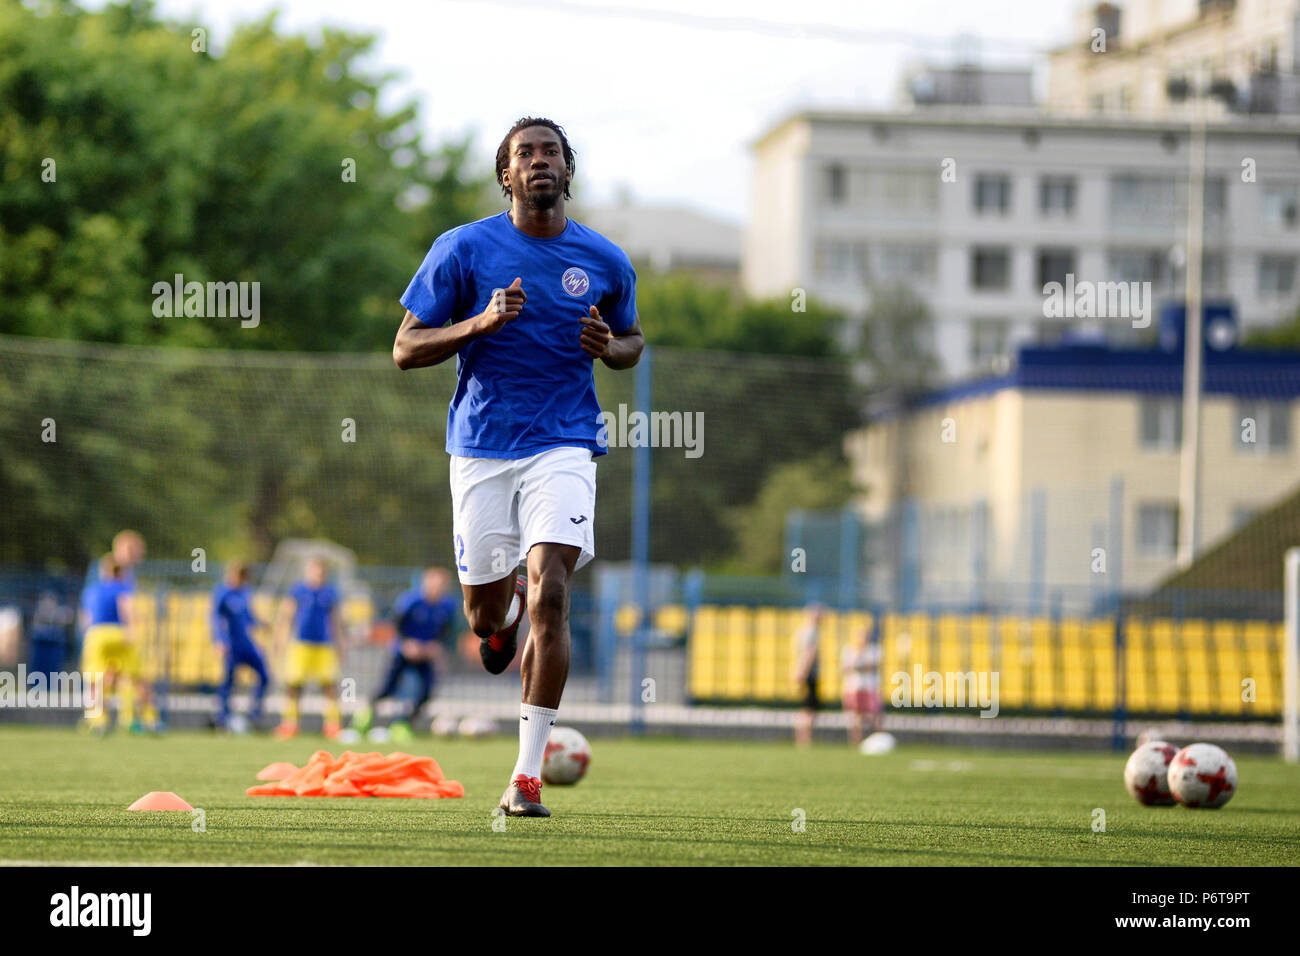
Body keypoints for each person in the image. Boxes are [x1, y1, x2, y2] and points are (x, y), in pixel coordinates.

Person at [393, 116, 644, 817]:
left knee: (553, 594)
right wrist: (478, 322)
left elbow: (632, 341)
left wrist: (608, 345)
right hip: (479, 448)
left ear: (568, 171)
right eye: (524, 154)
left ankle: (525, 778)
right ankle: (500, 624)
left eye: (550, 152)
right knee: (482, 617)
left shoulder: (605, 260)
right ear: (506, 175)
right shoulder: (463, 249)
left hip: (564, 441)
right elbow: (405, 348)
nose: (538, 161)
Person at [353, 567, 458, 740]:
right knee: (388, 688)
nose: (438, 587)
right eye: (435, 582)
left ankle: (401, 725)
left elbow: (447, 632)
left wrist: (436, 647)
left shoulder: (447, 606)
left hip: (424, 655)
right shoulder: (411, 601)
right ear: (426, 581)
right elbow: (395, 624)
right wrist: (406, 644)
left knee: (426, 692)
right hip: (402, 652)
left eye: (442, 583)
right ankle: (363, 719)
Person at [80, 555, 158, 734]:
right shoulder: (123, 588)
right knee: (136, 678)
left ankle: (98, 721)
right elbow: (126, 607)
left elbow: (86, 618)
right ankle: (149, 720)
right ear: (121, 572)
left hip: (96, 635)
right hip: (119, 633)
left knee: (96, 681)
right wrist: (133, 628)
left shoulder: (91, 590)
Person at [273, 559, 343, 739]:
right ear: (308, 571)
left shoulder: (330, 593)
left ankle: (332, 725)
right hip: (301, 644)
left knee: (329, 685)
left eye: (320, 572)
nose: (317, 575)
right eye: (314, 571)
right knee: (294, 684)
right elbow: (286, 616)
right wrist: (279, 639)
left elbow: (336, 621)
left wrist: (341, 644)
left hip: (324, 646)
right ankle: (290, 723)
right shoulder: (298, 590)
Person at [211, 561, 270, 732]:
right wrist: (219, 640)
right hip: (230, 644)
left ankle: (254, 714)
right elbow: (215, 618)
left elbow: (247, 617)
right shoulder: (222, 593)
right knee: (228, 680)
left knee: (265, 676)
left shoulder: (244, 593)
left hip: (246, 643)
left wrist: (261, 624)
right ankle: (223, 718)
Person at [841, 625, 882, 746]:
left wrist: (858, 666)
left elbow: (871, 667)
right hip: (854, 687)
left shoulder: (874, 650)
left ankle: (877, 740)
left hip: (870, 687)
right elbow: (847, 668)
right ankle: (856, 742)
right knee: (856, 716)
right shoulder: (849, 650)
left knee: (875, 714)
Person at [791, 605, 824, 749]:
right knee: (808, 709)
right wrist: (802, 672)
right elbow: (808, 653)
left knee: (807, 708)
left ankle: (803, 739)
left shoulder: (803, 630)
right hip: (809, 673)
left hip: (806, 672)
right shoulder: (811, 632)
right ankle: (804, 740)